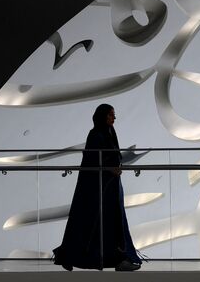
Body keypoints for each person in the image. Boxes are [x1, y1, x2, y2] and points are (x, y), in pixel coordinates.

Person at [52, 104, 142, 271]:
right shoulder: (95, 134)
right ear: (103, 116)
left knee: (113, 220)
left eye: (113, 115)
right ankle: (74, 255)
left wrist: (115, 168)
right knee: (93, 220)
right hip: (97, 186)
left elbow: (112, 155)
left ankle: (118, 258)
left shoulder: (109, 132)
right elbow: (93, 158)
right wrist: (109, 168)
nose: (114, 118)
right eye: (110, 115)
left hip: (111, 184)